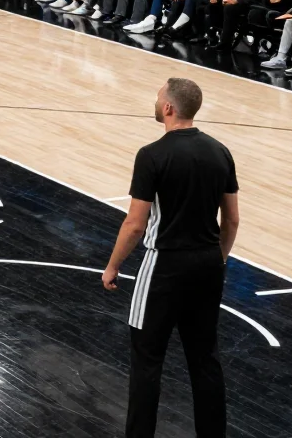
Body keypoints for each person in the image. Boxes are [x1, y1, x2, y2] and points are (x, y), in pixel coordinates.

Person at [101, 78, 237, 438]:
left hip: (165, 266)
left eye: (158, 94)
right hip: (209, 265)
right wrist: (218, 257)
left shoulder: (152, 154)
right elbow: (232, 218)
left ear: (169, 108)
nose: (156, 98)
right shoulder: (221, 151)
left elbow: (135, 224)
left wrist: (113, 265)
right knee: (205, 360)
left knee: (147, 361)